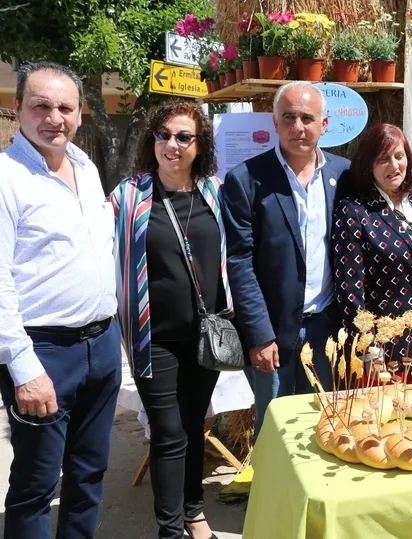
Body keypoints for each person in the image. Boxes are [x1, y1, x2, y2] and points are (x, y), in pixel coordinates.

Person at [0, 62, 121, 539]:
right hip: (43, 352)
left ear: (80, 113)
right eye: (41, 106)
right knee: (36, 483)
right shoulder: (6, 178)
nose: (55, 118)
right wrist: (24, 369)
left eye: (65, 107)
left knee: (90, 472)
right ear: (17, 109)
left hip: (102, 345)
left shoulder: (86, 168)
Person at [111, 100, 232, 539]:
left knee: (193, 423)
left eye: (184, 137)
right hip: (152, 338)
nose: (172, 145)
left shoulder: (216, 194)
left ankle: (194, 511)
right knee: (167, 431)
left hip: (205, 336)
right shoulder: (128, 197)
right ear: (152, 140)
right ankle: (170, 528)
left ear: (200, 145)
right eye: (163, 135)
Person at [222, 81, 350, 438]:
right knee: (275, 428)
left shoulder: (345, 175)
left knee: (325, 425)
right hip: (274, 334)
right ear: (275, 124)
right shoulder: (246, 180)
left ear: (324, 125)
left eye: (307, 118)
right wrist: (260, 335)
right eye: (289, 117)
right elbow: (239, 262)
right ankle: (270, 494)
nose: (298, 126)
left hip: (328, 328)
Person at [332, 124, 412, 362]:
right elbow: (350, 290)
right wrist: (368, 347)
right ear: (368, 164)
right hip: (385, 346)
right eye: (383, 159)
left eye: (399, 156)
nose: (394, 165)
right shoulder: (354, 211)